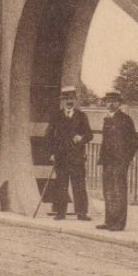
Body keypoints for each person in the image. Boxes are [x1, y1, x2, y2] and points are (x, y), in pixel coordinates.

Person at [44, 86, 92, 220]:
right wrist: (52, 153)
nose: (69, 102)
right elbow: (48, 136)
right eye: (66, 99)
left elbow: (89, 135)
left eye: (71, 99)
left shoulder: (82, 116)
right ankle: (61, 212)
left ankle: (82, 213)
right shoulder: (56, 116)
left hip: (77, 157)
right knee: (61, 185)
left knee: (79, 185)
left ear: (75, 100)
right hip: (61, 157)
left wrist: (81, 138)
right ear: (62, 101)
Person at [96, 90, 138, 231]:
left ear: (119, 104)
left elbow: (135, 142)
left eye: (114, 101)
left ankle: (119, 223)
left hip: (119, 162)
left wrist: (125, 159)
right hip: (108, 161)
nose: (110, 104)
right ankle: (109, 221)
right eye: (108, 101)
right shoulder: (107, 119)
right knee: (108, 191)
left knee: (119, 191)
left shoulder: (125, 119)